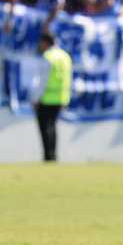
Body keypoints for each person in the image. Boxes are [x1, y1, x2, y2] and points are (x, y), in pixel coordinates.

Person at [32, 32, 72, 162]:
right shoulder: (65, 56)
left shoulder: (48, 57)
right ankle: (53, 154)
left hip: (46, 97)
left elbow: (43, 80)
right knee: (53, 127)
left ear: (45, 42)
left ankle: (48, 156)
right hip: (61, 97)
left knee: (45, 128)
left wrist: (36, 98)